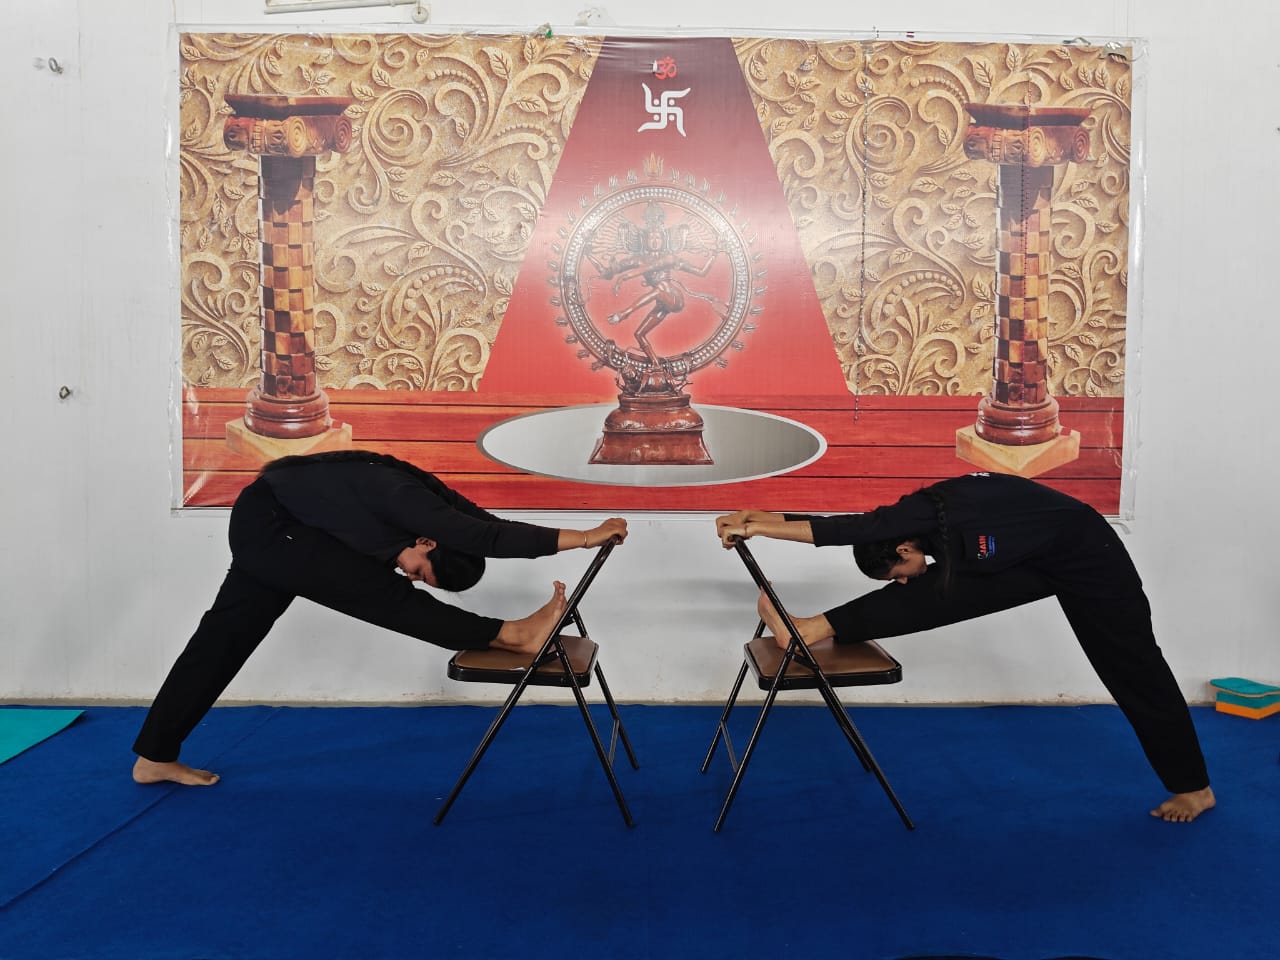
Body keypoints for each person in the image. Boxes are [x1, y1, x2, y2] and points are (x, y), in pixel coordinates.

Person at [715, 471, 1214, 824]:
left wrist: (761, 525)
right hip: (1033, 554)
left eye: (897, 572)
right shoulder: (912, 523)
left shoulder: (957, 522)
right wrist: (762, 518)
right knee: (934, 595)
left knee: (1134, 668)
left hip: (1088, 557)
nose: (903, 579)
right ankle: (809, 628)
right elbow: (857, 527)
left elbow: (855, 531)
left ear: (905, 548)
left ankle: (1195, 788)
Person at [133, 450, 628, 788]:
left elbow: (489, 529)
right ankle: (512, 634)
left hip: (276, 522)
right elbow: (489, 541)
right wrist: (585, 537)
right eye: (422, 571)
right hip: (275, 523)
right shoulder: (407, 501)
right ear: (427, 542)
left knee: (222, 639)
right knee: (387, 597)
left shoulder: (431, 510)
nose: (411, 574)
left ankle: (154, 756)